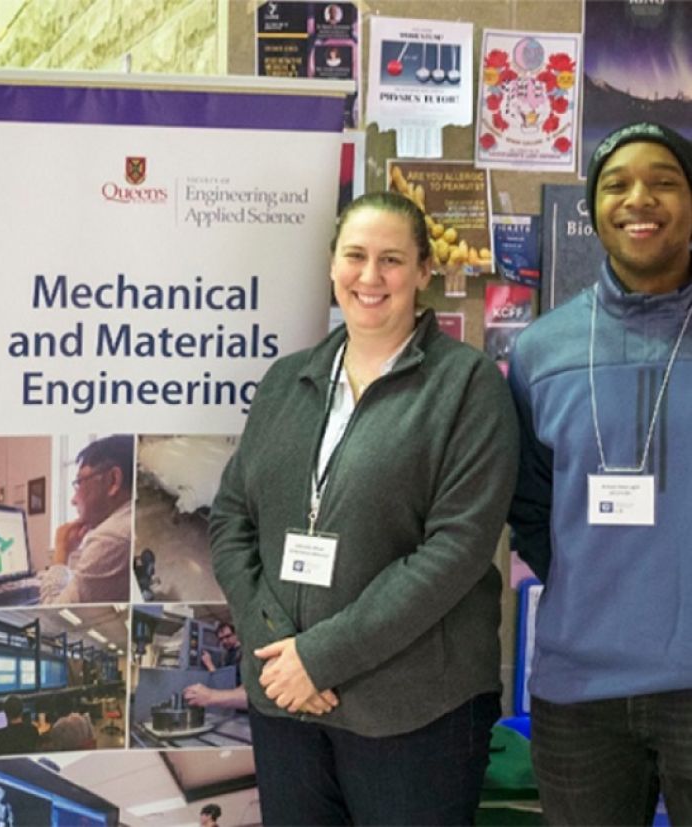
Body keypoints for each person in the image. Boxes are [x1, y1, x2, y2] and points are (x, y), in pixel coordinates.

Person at [210, 190, 518, 825]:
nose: (370, 277)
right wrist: (279, 650)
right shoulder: (285, 383)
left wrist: (321, 657)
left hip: (415, 712)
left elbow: (455, 552)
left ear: (424, 271)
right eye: (355, 256)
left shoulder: (467, 386)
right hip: (286, 703)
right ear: (331, 266)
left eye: (392, 260)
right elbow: (231, 519)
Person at [509, 121, 692, 825]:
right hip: (581, 691)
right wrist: (589, 575)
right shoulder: (541, 350)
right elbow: (528, 504)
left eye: (665, 181)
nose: (638, 198)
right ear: (594, 207)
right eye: (617, 183)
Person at [39, 434, 133, 604]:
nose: (73, 500)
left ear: (113, 480)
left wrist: (62, 550)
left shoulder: (111, 538)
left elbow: (52, 611)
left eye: (79, 482)